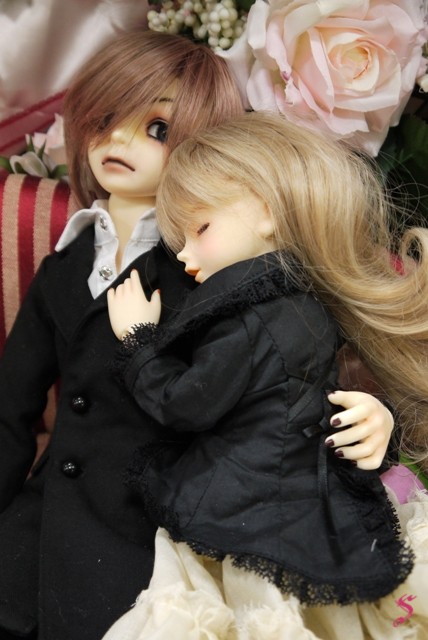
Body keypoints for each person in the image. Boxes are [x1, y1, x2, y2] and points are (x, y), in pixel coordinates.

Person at [0, 32, 393, 640]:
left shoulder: (210, 266)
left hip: (157, 528)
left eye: (156, 127)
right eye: (104, 120)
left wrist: (372, 420)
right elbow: (10, 407)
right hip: (47, 514)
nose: (119, 139)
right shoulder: (62, 268)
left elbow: (287, 382)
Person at [104, 111, 428, 639]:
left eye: (200, 229)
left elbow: (184, 403)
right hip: (292, 502)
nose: (184, 256)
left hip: (251, 508)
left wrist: (138, 340)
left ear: (266, 210)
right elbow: (312, 398)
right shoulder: (305, 307)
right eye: (179, 240)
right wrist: (375, 419)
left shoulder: (249, 319)